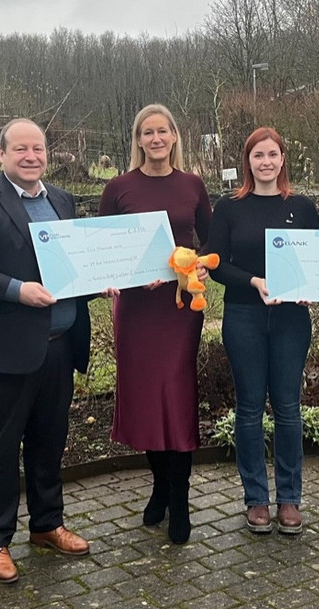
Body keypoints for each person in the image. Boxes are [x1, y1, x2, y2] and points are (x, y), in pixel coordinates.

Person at [0, 118, 93, 583]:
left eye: (39, 148)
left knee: (49, 441)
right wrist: (14, 289)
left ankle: (47, 524)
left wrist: (101, 283)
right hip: (3, 350)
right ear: (2, 154)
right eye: (21, 149)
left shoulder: (61, 200)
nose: (31, 156)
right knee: (0, 448)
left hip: (58, 346)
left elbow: (75, 266)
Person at [98, 103, 212, 544]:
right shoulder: (119, 187)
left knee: (176, 395)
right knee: (147, 399)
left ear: (174, 136)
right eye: (148, 132)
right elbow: (103, 245)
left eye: (163, 131)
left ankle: (180, 498)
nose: (156, 139)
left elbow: (212, 237)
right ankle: (160, 487)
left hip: (179, 310)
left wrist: (202, 266)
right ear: (138, 140)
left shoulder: (193, 185)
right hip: (137, 311)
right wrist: (115, 277)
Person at [206, 128, 319, 535]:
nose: (266, 162)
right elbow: (216, 264)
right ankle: (256, 499)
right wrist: (254, 281)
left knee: (289, 408)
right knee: (250, 408)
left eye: (273, 154)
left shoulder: (304, 207)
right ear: (248, 161)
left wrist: (312, 289)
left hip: (291, 319)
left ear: (283, 158)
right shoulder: (230, 208)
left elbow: (317, 260)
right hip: (244, 317)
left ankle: (290, 498)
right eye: (258, 155)